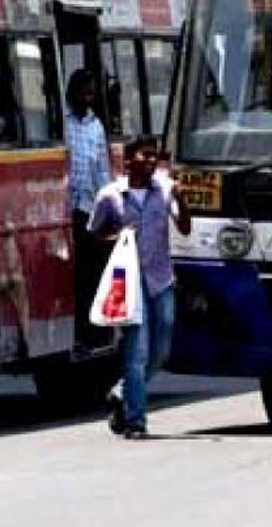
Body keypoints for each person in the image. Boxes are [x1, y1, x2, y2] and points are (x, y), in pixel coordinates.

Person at [89, 137, 192, 439]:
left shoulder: (164, 190)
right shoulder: (111, 196)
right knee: (137, 352)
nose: (151, 161)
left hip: (161, 279)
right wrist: (117, 236)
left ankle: (122, 392)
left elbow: (184, 226)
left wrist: (182, 199)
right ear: (129, 160)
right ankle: (136, 421)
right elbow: (94, 234)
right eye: (145, 156)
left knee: (161, 350)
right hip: (130, 285)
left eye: (154, 157)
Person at [65, 69, 113, 350]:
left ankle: (92, 331)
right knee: (75, 276)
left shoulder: (96, 126)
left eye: (91, 93)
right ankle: (81, 331)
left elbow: (102, 171)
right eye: (83, 92)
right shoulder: (64, 123)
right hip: (66, 208)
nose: (87, 98)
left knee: (90, 273)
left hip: (88, 209)